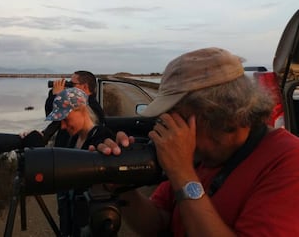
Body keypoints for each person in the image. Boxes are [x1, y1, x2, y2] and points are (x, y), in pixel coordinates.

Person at [94, 47, 299, 236]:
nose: (165, 124)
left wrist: (182, 174)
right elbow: (157, 223)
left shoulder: (288, 161)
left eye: (174, 115)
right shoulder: (200, 156)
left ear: (215, 112)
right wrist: (123, 185)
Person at [45, 87, 114, 237]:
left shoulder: (101, 139)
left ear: (82, 110)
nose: (62, 126)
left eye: (65, 119)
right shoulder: (74, 138)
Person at [42, 70, 105, 147]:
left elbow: (58, 116)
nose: (69, 87)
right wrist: (53, 95)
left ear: (85, 86)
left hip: (71, 153)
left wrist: (57, 95)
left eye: (72, 84)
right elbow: (50, 114)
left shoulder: (92, 107)